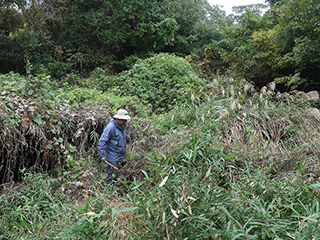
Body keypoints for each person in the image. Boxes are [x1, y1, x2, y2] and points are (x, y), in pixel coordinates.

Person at [97, 109, 131, 184]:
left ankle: (118, 190)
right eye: (124, 120)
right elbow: (102, 141)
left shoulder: (122, 127)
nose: (125, 122)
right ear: (118, 119)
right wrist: (101, 155)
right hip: (112, 157)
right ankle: (108, 190)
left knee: (122, 174)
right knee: (112, 175)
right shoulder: (110, 127)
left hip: (121, 155)